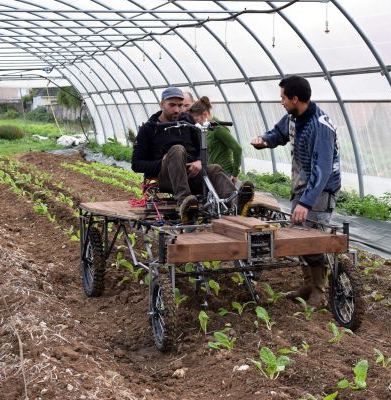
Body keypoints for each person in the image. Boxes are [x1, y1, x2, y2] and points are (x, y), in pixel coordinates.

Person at [250, 75, 341, 308]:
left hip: (321, 190)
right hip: (302, 186)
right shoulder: (293, 117)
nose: (280, 101)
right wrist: (264, 140)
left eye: (283, 97)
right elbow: (278, 134)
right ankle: (308, 285)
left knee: (312, 239)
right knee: (299, 235)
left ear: (295, 98)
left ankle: (320, 293)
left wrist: (306, 203)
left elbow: (322, 170)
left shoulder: (320, 127)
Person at [131, 87, 253, 222]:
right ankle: (185, 202)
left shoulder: (188, 123)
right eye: (172, 105)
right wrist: (162, 162)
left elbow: (202, 149)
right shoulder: (149, 129)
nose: (177, 110)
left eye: (180, 105)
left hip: (190, 175)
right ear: (161, 104)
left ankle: (236, 200)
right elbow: (136, 164)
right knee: (177, 149)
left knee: (214, 169)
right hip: (165, 178)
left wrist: (200, 161)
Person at [189, 96, 243, 184]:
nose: (196, 123)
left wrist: (235, 173)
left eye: (197, 119)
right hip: (214, 172)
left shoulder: (219, 128)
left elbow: (237, 148)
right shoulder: (207, 128)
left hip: (224, 173)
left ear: (205, 114)